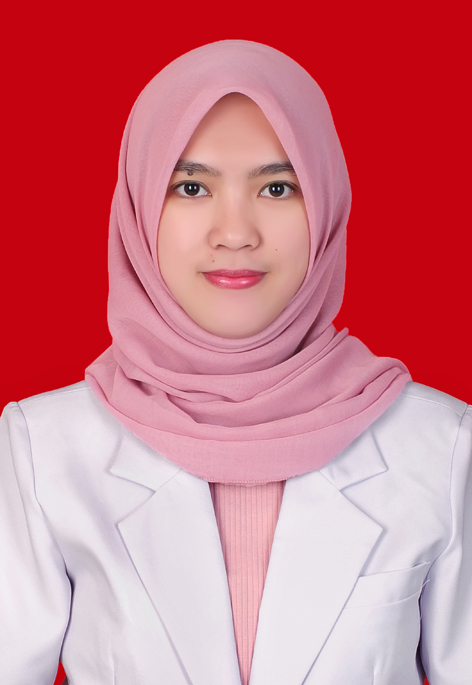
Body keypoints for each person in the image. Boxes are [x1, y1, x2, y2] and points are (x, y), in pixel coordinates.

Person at [0, 40, 470, 685]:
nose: (235, 232)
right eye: (191, 187)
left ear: (327, 206)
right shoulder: (43, 450)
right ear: (139, 209)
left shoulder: (442, 448)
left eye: (277, 187)